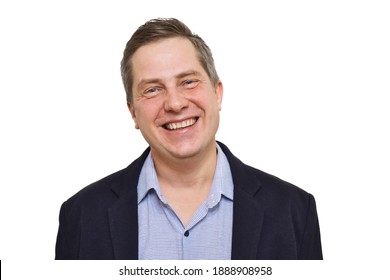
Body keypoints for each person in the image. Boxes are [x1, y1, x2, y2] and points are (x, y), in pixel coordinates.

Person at [55, 18, 322, 260]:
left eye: (188, 82)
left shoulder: (294, 210)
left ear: (217, 94)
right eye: (152, 89)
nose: (174, 103)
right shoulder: (81, 215)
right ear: (133, 112)